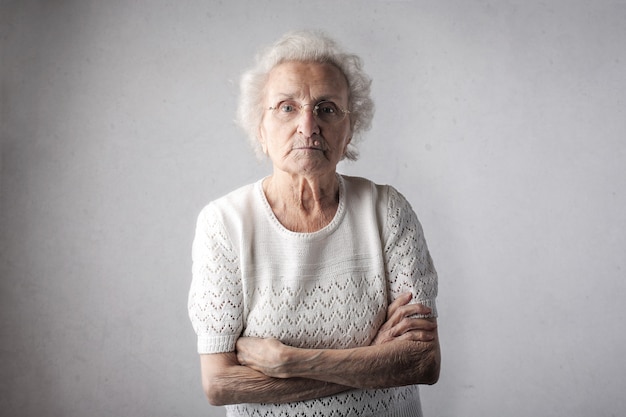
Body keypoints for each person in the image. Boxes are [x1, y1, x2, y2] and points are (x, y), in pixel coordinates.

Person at [188, 30, 440, 417]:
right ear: (260, 128)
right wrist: (373, 360)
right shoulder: (224, 224)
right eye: (287, 107)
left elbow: (422, 362)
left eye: (326, 108)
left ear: (349, 130)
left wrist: (291, 363)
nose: (308, 126)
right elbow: (220, 384)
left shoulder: (387, 210)